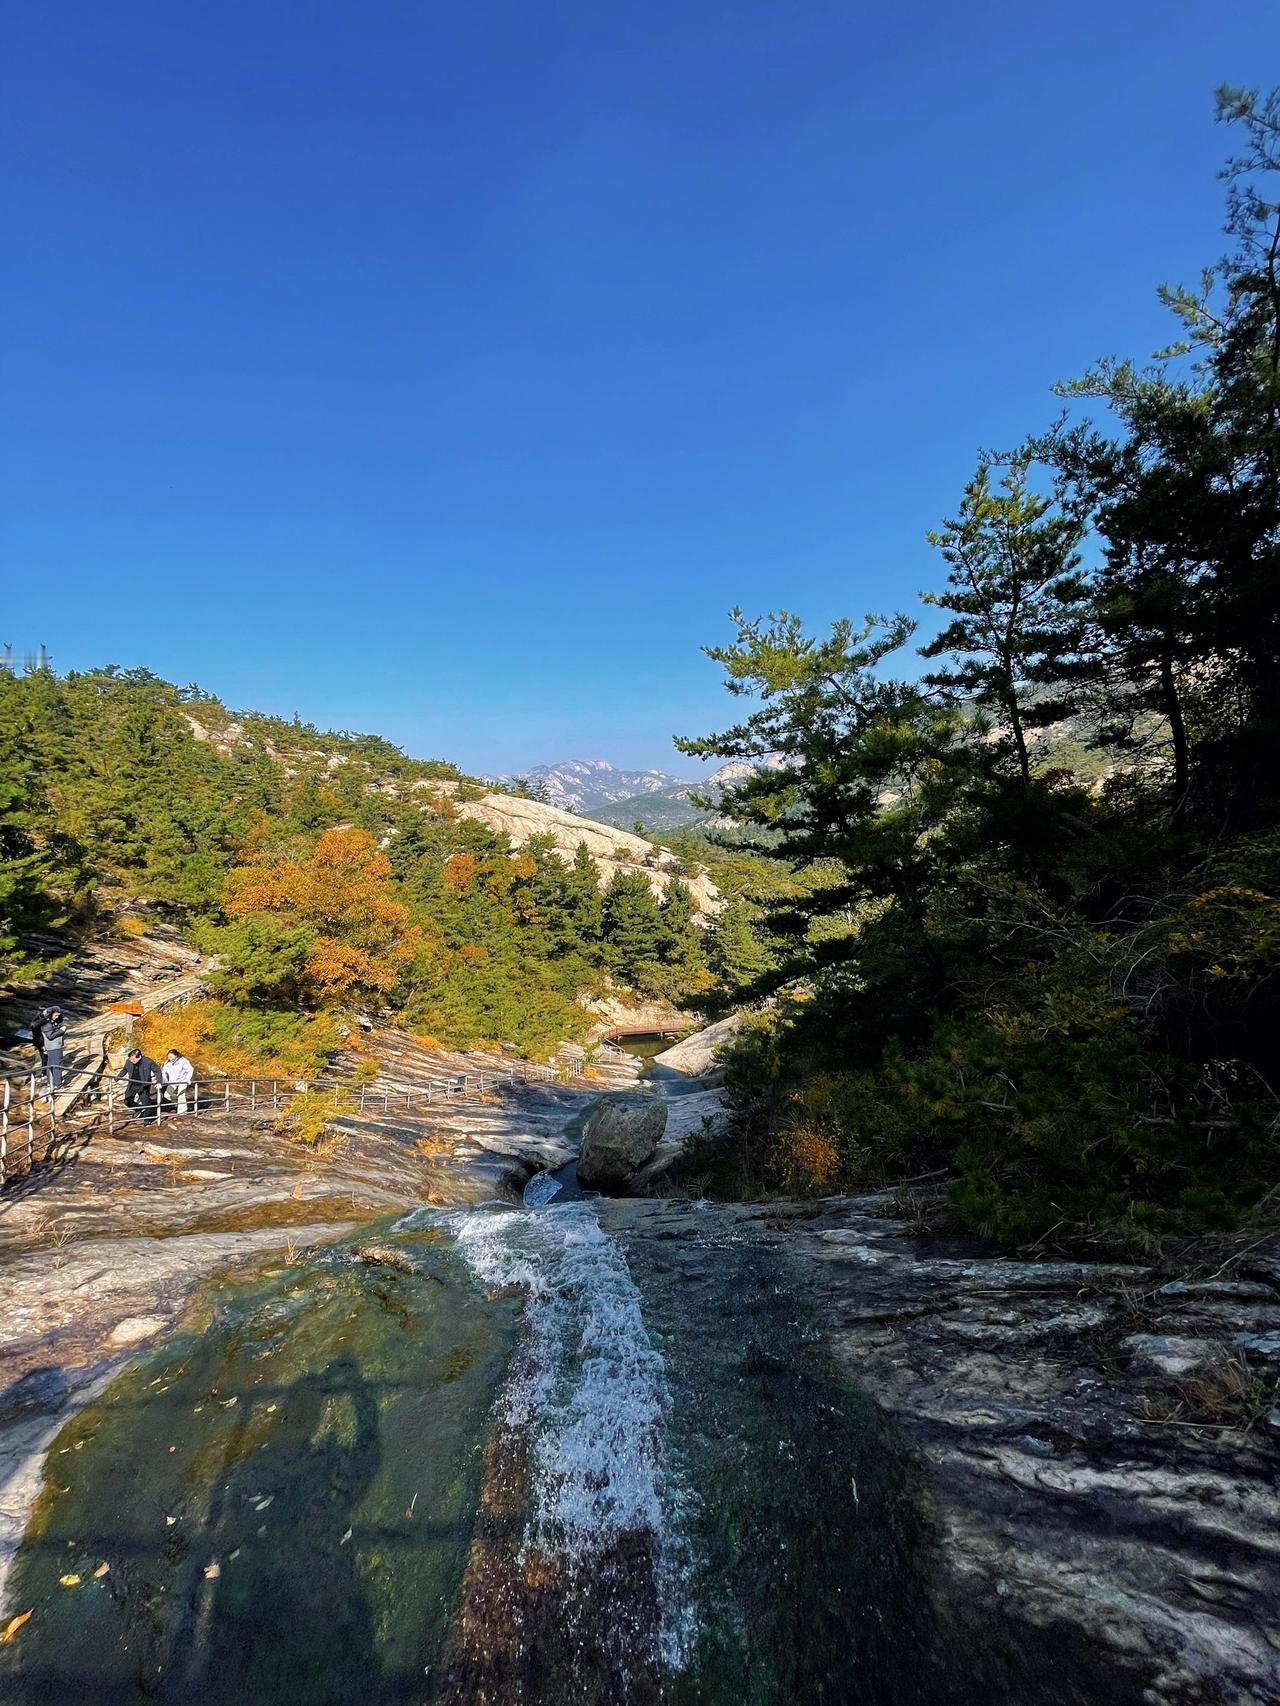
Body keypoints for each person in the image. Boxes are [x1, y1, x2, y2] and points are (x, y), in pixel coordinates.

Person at [116, 1047, 161, 1114]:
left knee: (146, 1103)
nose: (131, 1061)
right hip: (132, 1084)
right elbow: (124, 1070)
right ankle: (139, 1109)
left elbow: (157, 1070)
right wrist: (117, 1078)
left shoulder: (147, 1061)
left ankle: (147, 1119)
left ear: (139, 1057)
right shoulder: (129, 1061)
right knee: (127, 1101)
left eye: (133, 1059)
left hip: (143, 1086)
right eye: (130, 1059)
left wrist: (159, 1082)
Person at [161, 1048, 195, 1115]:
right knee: (166, 1095)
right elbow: (164, 1072)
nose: (170, 1058)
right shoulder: (167, 1063)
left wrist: (188, 1079)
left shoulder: (183, 1061)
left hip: (182, 1081)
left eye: (171, 1057)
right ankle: (172, 1106)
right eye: (169, 1057)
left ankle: (182, 1112)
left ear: (176, 1056)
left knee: (181, 1096)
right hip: (172, 1081)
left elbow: (190, 1069)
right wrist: (164, 1081)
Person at [40, 1007, 67, 1092]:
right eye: (55, 1015)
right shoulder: (47, 1024)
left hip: (54, 1046)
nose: (57, 1017)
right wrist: (62, 1031)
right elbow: (50, 1036)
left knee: (51, 1064)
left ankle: (50, 1082)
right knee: (56, 1065)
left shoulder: (51, 1022)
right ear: (51, 1014)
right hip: (53, 1047)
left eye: (58, 1016)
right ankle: (58, 1084)